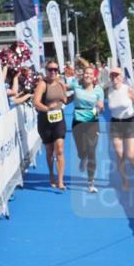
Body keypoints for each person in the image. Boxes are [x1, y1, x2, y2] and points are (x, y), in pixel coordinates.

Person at [106, 66, 134, 190]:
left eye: (117, 75)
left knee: (130, 155)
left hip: (130, 122)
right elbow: (97, 96)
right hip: (115, 123)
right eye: (112, 75)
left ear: (121, 77)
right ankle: (125, 181)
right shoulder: (108, 90)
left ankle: (133, 161)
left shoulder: (128, 89)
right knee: (119, 154)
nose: (114, 78)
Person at [34, 59, 69, 189]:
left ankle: (60, 181)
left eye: (55, 69)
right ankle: (51, 174)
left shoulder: (61, 84)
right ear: (46, 71)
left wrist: (78, 96)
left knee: (60, 148)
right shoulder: (42, 84)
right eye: (50, 70)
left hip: (59, 120)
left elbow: (65, 100)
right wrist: (48, 108)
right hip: (45, 121)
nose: (53, 72)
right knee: (49, 151)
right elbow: (36, 103)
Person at [70, 64, 105, 193]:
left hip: (93, 122)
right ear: (82, 75)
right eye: (86, 73)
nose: (88, 75)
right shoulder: (76, 86)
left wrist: (101, 108)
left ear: (94, 76)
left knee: (92, 151)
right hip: (77, 122)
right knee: (81, 151)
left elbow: (101, 110)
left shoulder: (99, 90)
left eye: (91, 73)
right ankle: (82, 157)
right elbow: (62, 86)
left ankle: (91, 182)